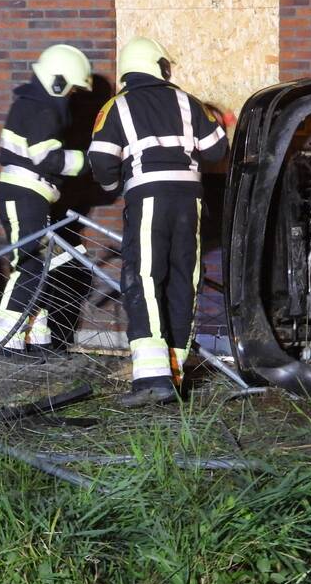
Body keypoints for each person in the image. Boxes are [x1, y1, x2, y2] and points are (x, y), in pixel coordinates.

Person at [88, 37, 228, 407]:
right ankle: (175, 373)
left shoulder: (117, 106)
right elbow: (217, 149)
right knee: (184, 277)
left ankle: (152, 380)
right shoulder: (189, 102)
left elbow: (101, 162)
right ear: (160, 66)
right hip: (190, 201)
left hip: (148, 197)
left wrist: (113, 184)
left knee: (144, 277)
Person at [0, 44, 92, 359]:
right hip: (26, 195)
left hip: (28, 195)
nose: (72, 95)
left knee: (41, 266)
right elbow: (45, 156)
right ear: (58, 82)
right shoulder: (44, 110)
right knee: (29, 266)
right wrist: (88, 161)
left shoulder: (30, 105)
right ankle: (7, 342)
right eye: (72, 88)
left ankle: (37, 339)